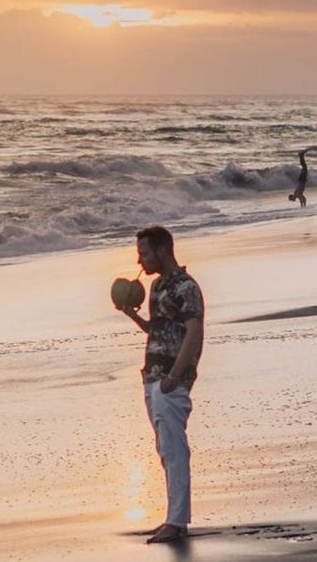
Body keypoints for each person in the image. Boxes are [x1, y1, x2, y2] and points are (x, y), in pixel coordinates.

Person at [118, 226, 205, 545]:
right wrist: (134, 317)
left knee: (174, 448)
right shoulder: (156, 287)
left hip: (170, 379)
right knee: (164, 450)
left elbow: (194, 332)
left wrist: (175, 377)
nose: (139, 259)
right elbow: (159, 330)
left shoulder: (186, 286)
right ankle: (172, 517)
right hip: (152, 376)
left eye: (144, 252)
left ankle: (177, 521)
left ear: (162, 251)